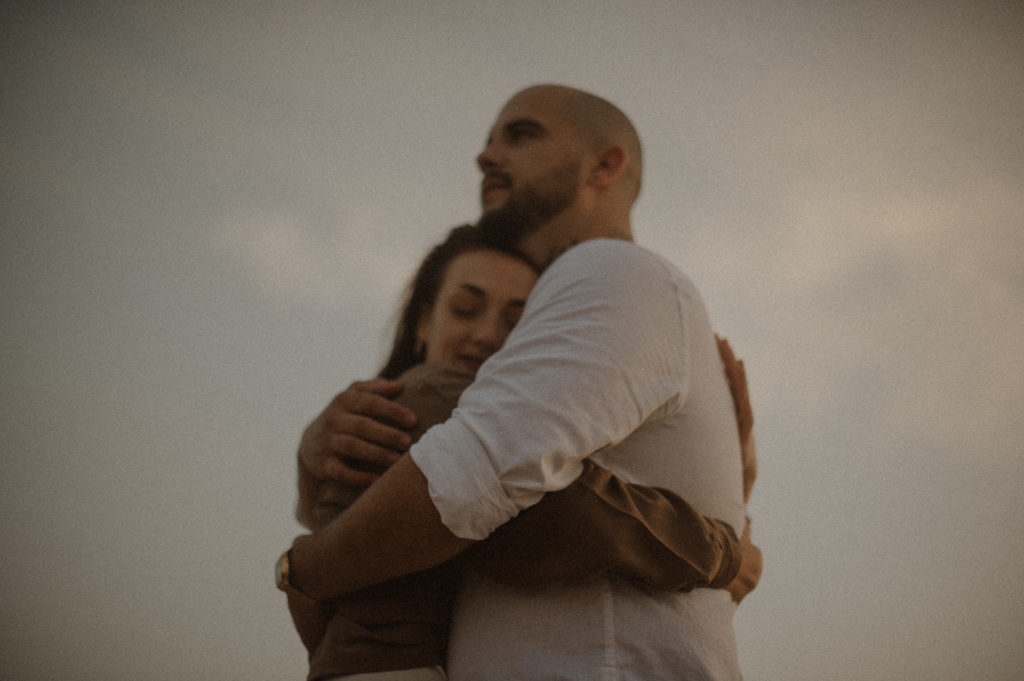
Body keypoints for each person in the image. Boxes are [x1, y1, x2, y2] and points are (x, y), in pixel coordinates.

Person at [284, 85, 755, 679]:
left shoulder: (610, 268)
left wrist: (305, 570)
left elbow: (475, 479)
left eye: (521, 134)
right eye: (486, 141)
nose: (486, 156)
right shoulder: (584, 303)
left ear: (605, 165)